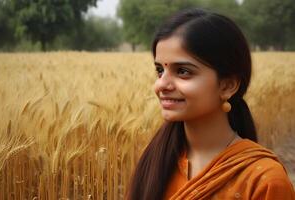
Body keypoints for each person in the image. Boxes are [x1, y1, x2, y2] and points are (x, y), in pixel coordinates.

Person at [126, 8, 295, 200]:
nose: (161, 85)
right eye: (160, 70)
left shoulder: (264, 180)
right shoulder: (155, 162)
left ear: (228, 85)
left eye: (182, 71)